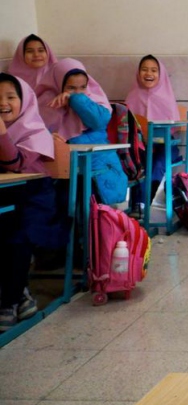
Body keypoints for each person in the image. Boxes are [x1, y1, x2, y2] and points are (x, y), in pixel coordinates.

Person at [0, 73, 63, 331]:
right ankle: (20, 293)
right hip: (5, 196)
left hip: (33, 199)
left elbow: (13, 163)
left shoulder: (35, 132)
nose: (2, 102)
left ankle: (10, 301)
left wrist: (1, 132)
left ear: (24, 101)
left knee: (16, 237)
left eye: (10, 97)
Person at [37, 59, 127, 204]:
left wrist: (75, 99)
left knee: (87, 198)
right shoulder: (46, 102)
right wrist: (49, 137)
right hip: (60, 168)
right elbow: (36, 131)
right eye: (71, 88)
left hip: (96, 166)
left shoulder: (93, 99)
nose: (79, 92)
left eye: (83, 87)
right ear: (58, 83)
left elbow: (99, 121)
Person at [125, 54, 181, 204]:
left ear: (160, 74)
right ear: (138, 73)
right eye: (144, 69)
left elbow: (174, 128)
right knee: (138, 164)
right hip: (141, 146)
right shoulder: (132, 97)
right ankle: (137, 205)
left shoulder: (166, 98)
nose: (149, 74)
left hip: (166, 146)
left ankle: (143, 204)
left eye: (154, 70)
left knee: (156, 164)